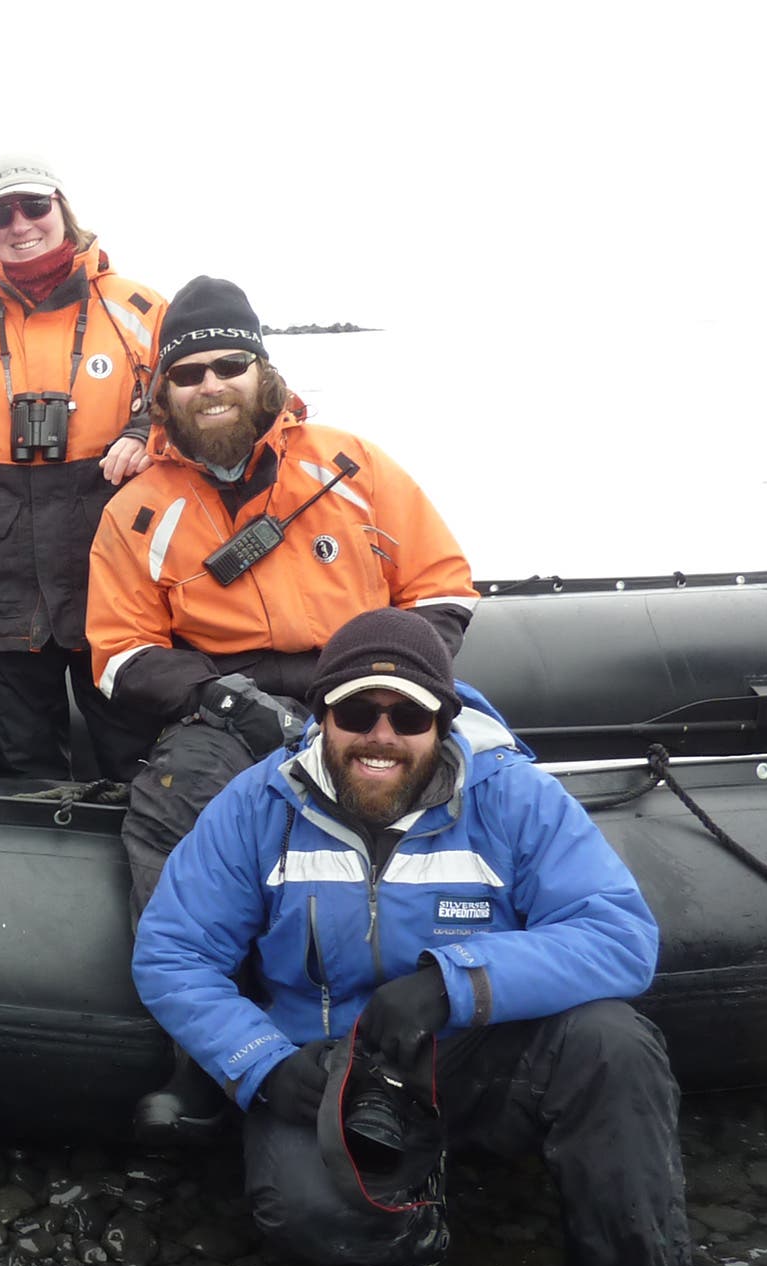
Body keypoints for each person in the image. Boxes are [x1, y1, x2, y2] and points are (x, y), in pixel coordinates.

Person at [130, 606, 691, 1266]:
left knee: (614, 1043)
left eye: (410, 714)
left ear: (445, 722)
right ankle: (411, 1237)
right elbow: (173, 952)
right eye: (357, 709)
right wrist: (260, 1064)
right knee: (304, 1214)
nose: (381, 735)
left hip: (476, 1048)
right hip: (334, 1065)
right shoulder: (259, 804)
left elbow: (620, 935)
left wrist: (450, 985)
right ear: (323, 715)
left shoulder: (514, 796)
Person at [86, 276, 479, 1141]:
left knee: (476, 784)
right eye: (188, 373)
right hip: (222, 704)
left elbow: (444, 588)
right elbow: (119, 655)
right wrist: (229, 699)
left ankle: (457, 1032)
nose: (211, 385)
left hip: (364, 677)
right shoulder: (136, 508)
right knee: (168, 809)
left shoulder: (353, 466)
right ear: (162, 393)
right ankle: (210, 1053)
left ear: (264, 371)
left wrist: (387, 686)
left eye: (230, 364)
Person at [0, 155, 167, 782]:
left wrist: (145, 431)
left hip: (112, 581)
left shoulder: (142, 310)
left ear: (61, 208)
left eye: (34, 206)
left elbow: (204, 405)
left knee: (137, 758)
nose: (20, 224)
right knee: (20, 767)